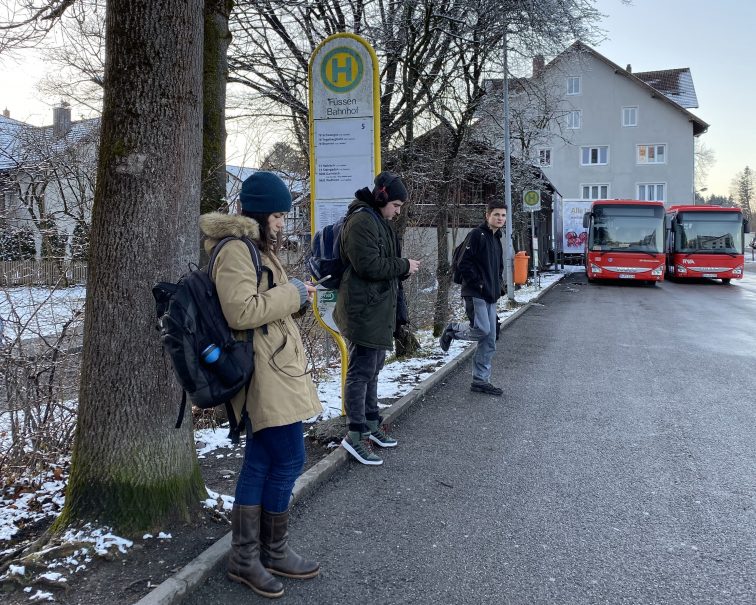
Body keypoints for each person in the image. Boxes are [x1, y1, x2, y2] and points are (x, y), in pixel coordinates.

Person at [199, 171, 322, 599]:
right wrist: (292, 293)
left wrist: (297, 296)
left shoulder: (252, 248)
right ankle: (257, 555)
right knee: (287, 458)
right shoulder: (236, 250)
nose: (283, 224)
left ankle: (258, 556)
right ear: (258, 213)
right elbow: (241, 312)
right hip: (263, 376)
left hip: (272, 371)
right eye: (277, 215)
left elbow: (264, 306)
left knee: (263, 460)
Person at [334, 171, 421, 466]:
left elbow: (381, 264)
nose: (397, 212)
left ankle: (371, 424)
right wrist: (403, 265)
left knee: (373, 369)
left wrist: (401, 269)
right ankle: (355, 435)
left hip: (376, 309)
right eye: (396, 205)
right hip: (364, 311)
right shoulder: (361, 221)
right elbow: (369, 265)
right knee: (361, 372)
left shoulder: (377, 220)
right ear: (382, 197)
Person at [439, 200, 506, 396]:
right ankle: (453, 329)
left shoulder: (496, 238)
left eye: (503, 215)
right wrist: (479, 284)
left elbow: (497, 268)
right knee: (482, 330)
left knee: (490, 339)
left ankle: (480, 380)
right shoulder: (477, 235)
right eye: (496, 215)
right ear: (487, 215)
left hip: (491, 295)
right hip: (476, 293)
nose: (500, 218)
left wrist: (498, 286)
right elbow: (463, 263)